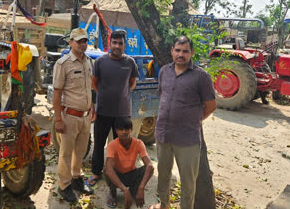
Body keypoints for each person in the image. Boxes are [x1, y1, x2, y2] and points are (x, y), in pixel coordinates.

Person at [149, 36, 216, 209]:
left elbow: (210, 106)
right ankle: (164, 205)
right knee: (163, 176)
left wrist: (194, 119)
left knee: (188, 182)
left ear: (191, 53)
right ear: (172, 50)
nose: (181, 54)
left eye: (185, 51)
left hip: (188, 139)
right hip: (164, 135)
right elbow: (162, 96)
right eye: (177, 50)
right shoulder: (164, 71)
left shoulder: (201, 77)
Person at [88, 30, 139, 186]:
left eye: (120, 43)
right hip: (103, 111)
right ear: (109, 44)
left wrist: (120, 95)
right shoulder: (100, 62)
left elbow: (132, 84)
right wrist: (105, 95)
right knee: (99, 144)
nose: (117, 46)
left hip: (123, 114)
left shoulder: (130, 62)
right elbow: (94, 83)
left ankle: (119, 174)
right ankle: (96, 173)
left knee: (122, 146)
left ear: (124, 45)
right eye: (114, 43)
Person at [53, 28, 96, 203]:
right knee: (66, 153)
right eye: (79, 41)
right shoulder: (63, 64)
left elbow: (89, 89)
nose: (83, 44)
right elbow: (57, 94)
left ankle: (77, 178)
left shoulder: (89, 62)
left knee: (81, 151)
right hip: (69, 116)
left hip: (85, 116)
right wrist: (57, 119)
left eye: (85, 41)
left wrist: (91, 106)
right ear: (70, 42)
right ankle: (64, 185)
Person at [105, 117, 154, 209]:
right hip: (118, 175)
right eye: (121, 129)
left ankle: (134, 190)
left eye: (127, 129)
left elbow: (150, 166)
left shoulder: (139, 143)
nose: (124, 132)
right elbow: (108, 170)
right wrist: (124, 190)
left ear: (131, 130)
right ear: (116, 131)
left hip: (131, 174)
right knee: (107, 169)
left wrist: (141, 187)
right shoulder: (112, 144)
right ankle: (112, 193)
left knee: (149, 168)